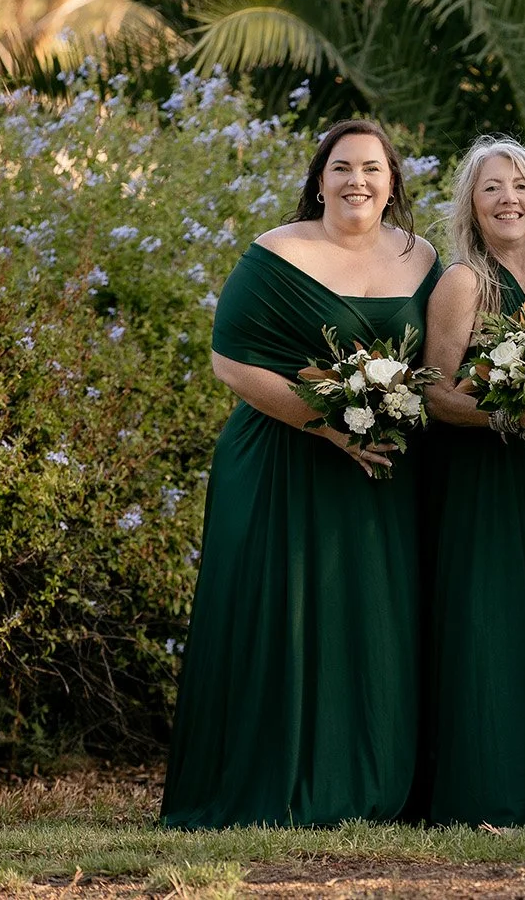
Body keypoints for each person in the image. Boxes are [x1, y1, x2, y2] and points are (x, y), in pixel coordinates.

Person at [161, 120, 440, 828]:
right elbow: (230, 361)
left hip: (381, 470)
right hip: (280, 461)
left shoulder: (423, 258)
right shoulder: (277, 252)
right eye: (341, 167)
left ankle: (371, 780)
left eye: (372, 168)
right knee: (279, 616)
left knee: (370, 620)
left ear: (393, 183)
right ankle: (268, 782)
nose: (357, 181)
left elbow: (437, 362)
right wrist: (329, 426)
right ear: (319, 180)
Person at [419, 136, 525, 826]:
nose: (509, 199)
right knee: (490, 621)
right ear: (471, 207)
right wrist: (505, 415)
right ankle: (487, 790)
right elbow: (433, 391)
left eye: (521, 186)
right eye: (492, 189)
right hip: (482, 476)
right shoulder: (464, 282)